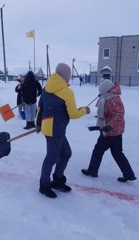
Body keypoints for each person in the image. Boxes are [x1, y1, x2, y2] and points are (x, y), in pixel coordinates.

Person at [36, 63, 90, 198]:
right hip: (55, 130)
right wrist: (85, 110)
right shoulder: (67, 92)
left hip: (51, 128)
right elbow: (73, 114)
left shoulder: (46, 88)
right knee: (52, 157)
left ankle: (57, 180)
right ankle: (44, 185)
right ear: (67, 76)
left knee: (66, 153)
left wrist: (38, 123)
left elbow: (40, 108)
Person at [81, 79, 136, 182]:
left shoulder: (113, 99)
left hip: (110, 132)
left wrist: (108, 127)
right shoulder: (109, 97)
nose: (100, 94)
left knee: (98, 150)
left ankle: (92, 170)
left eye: (101, 92)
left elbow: (118, 115)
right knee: (117, 153)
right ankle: (129, 174)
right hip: (116, 131)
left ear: (106, 90)